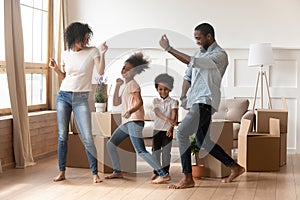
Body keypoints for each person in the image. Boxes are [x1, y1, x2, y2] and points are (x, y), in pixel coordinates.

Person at [159, 23, 245, 189]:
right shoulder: (198, 53)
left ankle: (187, 178)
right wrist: (184, 96)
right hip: (196, 101)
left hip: (206, 101)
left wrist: (169, 49)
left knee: (182, 132)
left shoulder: (220, 55)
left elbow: (194, 62)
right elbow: (188, 76)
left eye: (199, 38)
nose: (197, 42)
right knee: (203, 141)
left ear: (209, 37)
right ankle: (235, 167)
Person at [48, 22, 108, 183]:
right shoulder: (66, 54)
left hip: (81, 98)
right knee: (62, 136)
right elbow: (64, 76)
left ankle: (95, 174)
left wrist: (102, 54)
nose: (86, 42)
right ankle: (62, 172)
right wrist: (55, 69)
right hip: (63, 96)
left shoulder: (92, 51)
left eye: (88, 38)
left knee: (87, 136)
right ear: (74, 38)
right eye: (83, 39)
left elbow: (101, 71)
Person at [105, 52, 170, 184]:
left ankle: (163, 174)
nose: (125, 71)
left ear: (134, 72)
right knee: (111, 144)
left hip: (134, 121)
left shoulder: (133, 84)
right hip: (128, 122)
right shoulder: (126, 85)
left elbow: (139, 102)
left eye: (128, 70)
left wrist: (130, 111)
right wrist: (117, 85)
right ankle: (117, 171)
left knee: (140, 151)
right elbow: (116, 102)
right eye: (124, 68)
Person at [151, 73, 178, 181]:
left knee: (166, 153)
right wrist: (167, 119)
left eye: (166, 89)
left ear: (170, 89)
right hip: (157, 129)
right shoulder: (155, 101)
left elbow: (174, 115)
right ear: (157, 89)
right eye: (160, 89)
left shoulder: (173, 101)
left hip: (168, 131)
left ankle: (165, 172)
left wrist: (170, 128)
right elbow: (157, 112)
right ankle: (156, 171)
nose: (163, 91)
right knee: (155, 151)